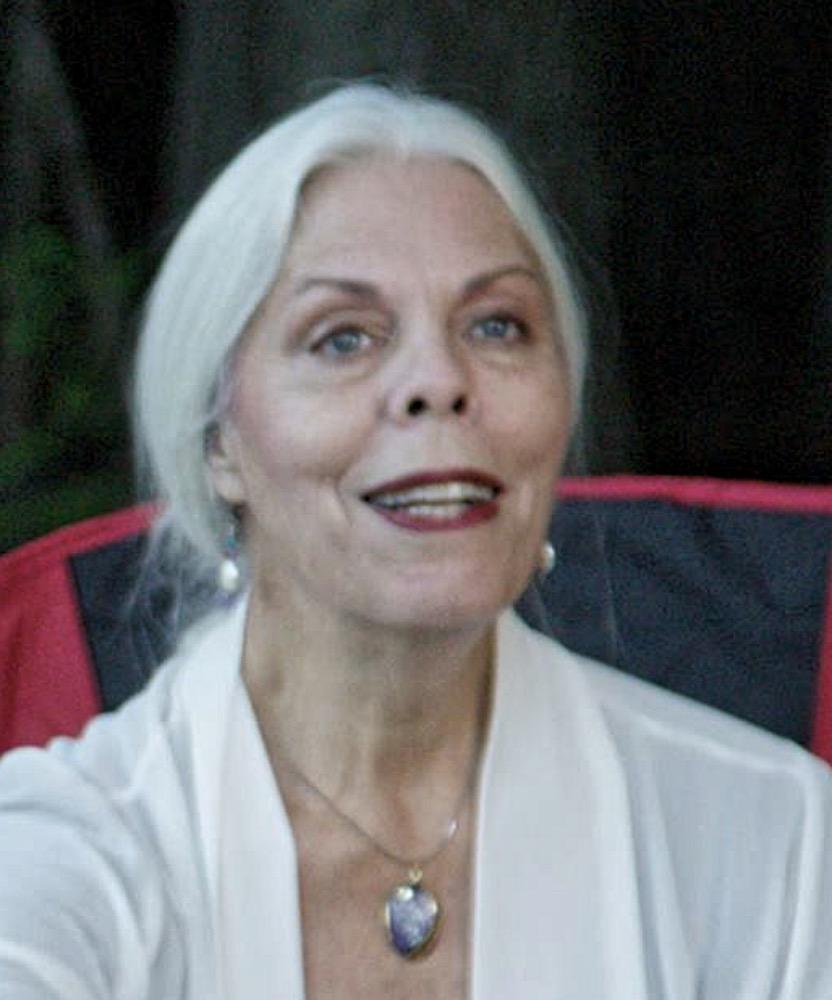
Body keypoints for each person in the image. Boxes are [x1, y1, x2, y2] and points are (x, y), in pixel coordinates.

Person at [0, 82, 830, 1000]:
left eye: (496, 325)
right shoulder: (67, 852)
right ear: (219, 443)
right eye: (343, 339)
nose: (438, 378)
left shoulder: (774, 842)